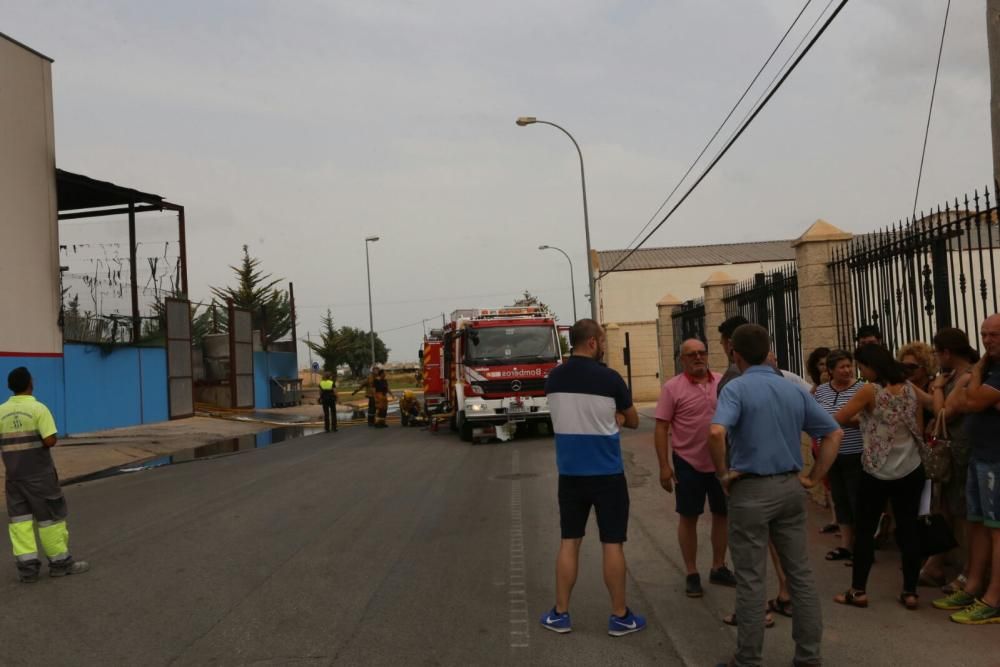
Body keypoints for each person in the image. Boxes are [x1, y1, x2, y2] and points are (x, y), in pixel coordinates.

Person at [709, 324, 843, 667]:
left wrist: (723, 474)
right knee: (800, 573)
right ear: (768, 350)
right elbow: (833, 433)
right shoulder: (792, 389)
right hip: (789, 487)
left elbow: (716, 431)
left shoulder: (735, 389)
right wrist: (814, 477)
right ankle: (809, 656)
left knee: (752, 578)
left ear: (735, 354)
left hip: (750, 489)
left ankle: (748, 658)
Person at [539, 318, 644, 637]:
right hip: (607, 475)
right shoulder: (610, 379)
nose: (605, 347)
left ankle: (560, 614)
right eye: (603, 341)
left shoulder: (553, 378)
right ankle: (619, 616)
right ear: (593, 342)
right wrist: (616, 417)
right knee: (612, 542)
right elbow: (635, 420)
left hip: (570, 475)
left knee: (569, 540)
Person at [831, 344, 925, 610]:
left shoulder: (870, 390)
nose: (861, 372)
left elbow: (840, 416)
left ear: (870, 366)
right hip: (910, 466)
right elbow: (917, 422)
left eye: (862, 367)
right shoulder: (908, 387)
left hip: (877, 469)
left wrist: (865, 420)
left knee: (865, 529)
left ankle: (858, 590)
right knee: (908, 529)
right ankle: (910, 592)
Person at [654, 338, 735, 599]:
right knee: (689, 516)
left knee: (722, 514)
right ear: (682, 359)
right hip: (688, 462)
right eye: (691, 355)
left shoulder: (723, 382)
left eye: (702, 353)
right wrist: (664, 466)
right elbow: (661, 427)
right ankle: (691, 572)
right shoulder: (672, 388)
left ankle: (718, 566)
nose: (698, 358)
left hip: (721, 461)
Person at [937, 314, 1000, 625]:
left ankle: (994, 598)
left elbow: (971, 400)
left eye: (995, 335)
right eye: (984, 335)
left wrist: (973, 375)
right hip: (979, 454)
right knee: (976, 524)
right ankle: (973, 585)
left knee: (997, 530)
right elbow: (960, 403)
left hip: (996, 460)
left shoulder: (993, 371)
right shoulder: (989, 368)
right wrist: (976, 380)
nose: (988, 341)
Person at [0, 367, 90, 582]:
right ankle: (60, 563)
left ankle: (28, 571)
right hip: (40, 476)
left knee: (20, 524)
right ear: (30, 383)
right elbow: (50, 439)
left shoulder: (1, 411)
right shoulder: (38, 409)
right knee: (50, 520)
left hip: (14, 478)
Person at [921, 327, 977, 591]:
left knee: (962, 511)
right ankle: (936, 562)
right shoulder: (954, 375)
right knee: (944, 507)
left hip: (962, 452)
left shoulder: (966, 377)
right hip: (953, 453)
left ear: (946, 352)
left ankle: (968, 570)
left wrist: (939, 388)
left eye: (937, 352)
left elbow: (943, 411)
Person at [812, 350, 865, 563]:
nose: (847, 370)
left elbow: (865, 417)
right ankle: (845, 544)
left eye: (849, 366)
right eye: (841, 367)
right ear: (831, 371)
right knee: (840, 499)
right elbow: (816, 415)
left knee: (857, 500)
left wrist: (838, 420)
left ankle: (862, 547)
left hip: (856, 452)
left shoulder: (861, 388)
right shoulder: (822, 390)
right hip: (832, 453)